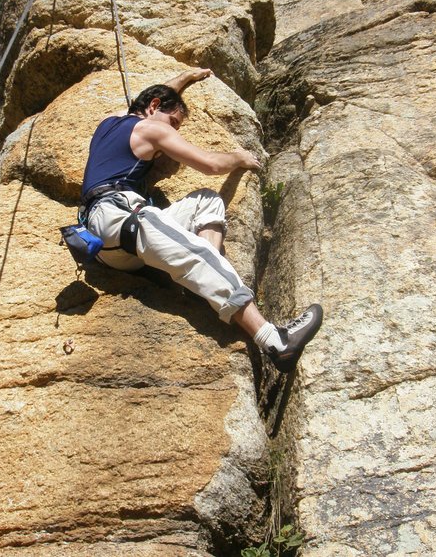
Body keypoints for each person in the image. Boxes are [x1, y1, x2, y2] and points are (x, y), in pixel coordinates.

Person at [80, 68, 323, 372]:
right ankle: (276, 341)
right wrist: (238, 158)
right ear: (154, 108)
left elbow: (158, 93)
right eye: (174, 122)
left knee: (207, 201)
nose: (174, 133)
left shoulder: (108, 124)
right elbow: (209, 164)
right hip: (119, 215)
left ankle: (204, 291)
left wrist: (185, 77)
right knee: (197, 255)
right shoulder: (150, 129)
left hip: (109, 240)